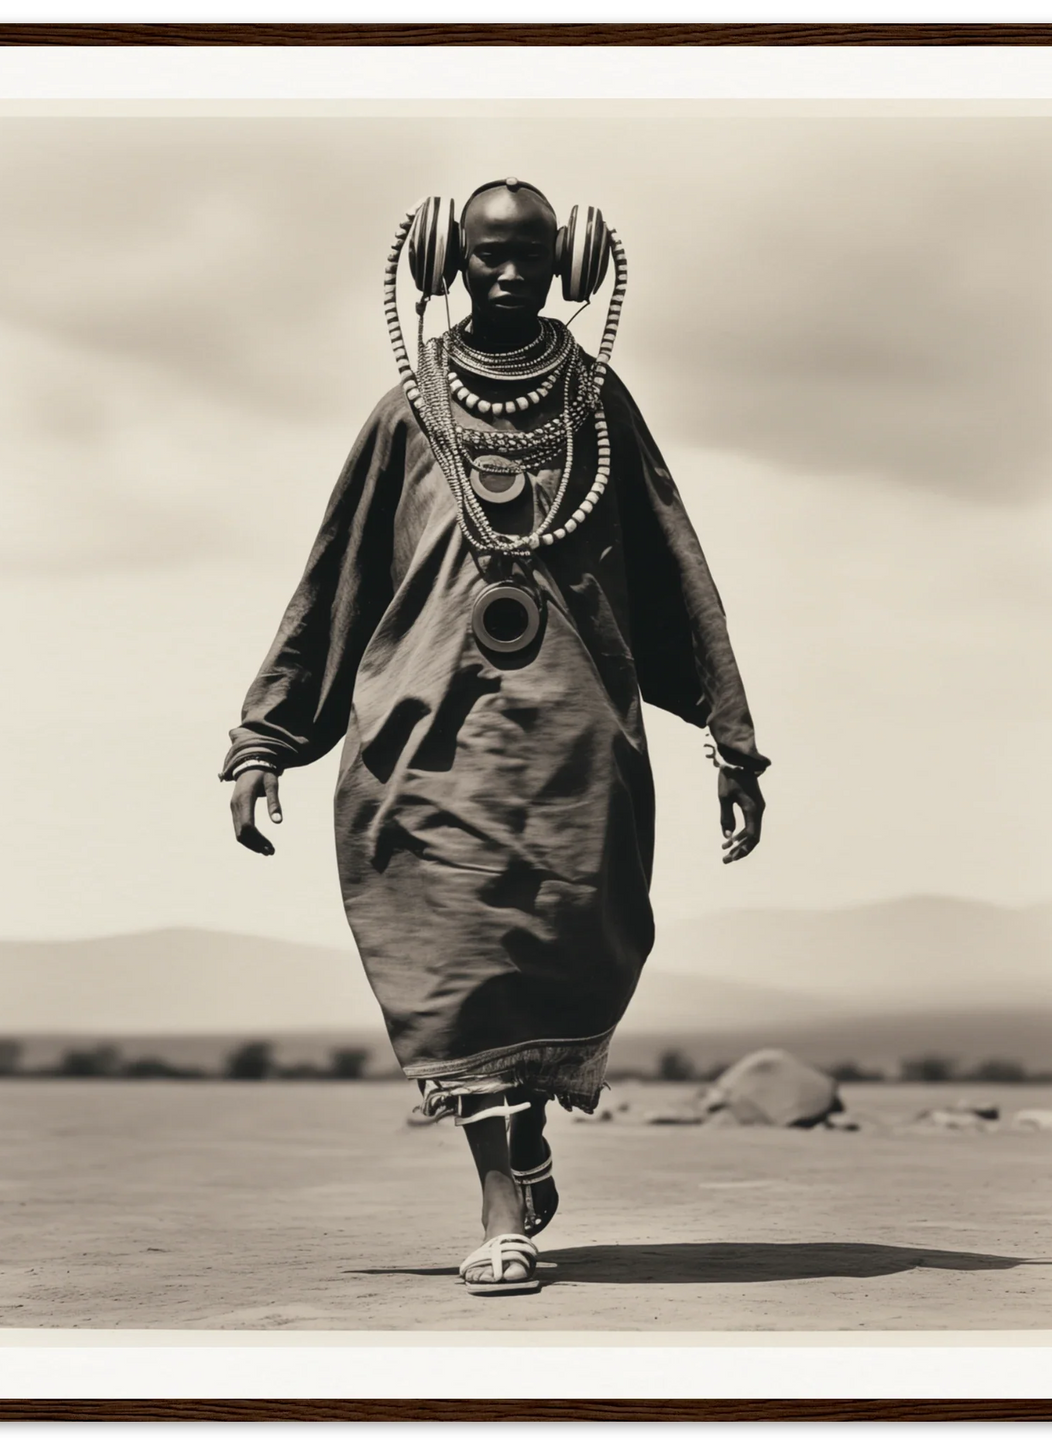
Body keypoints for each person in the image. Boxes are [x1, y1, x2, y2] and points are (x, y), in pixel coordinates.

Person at [222, 178, 769, 1297]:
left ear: (565, 263)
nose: (508, 274)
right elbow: (334, 582)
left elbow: (674, 569)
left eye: (527, 255)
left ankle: (523, 1143)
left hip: (572, 741)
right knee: (456, 963)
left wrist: (730, 736)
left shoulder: (599, 405)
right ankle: (500, 1206)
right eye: (485, 257)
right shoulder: (405, 412)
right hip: (420, 739)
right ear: (447, 263)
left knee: (559, 946)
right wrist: (263, 738)